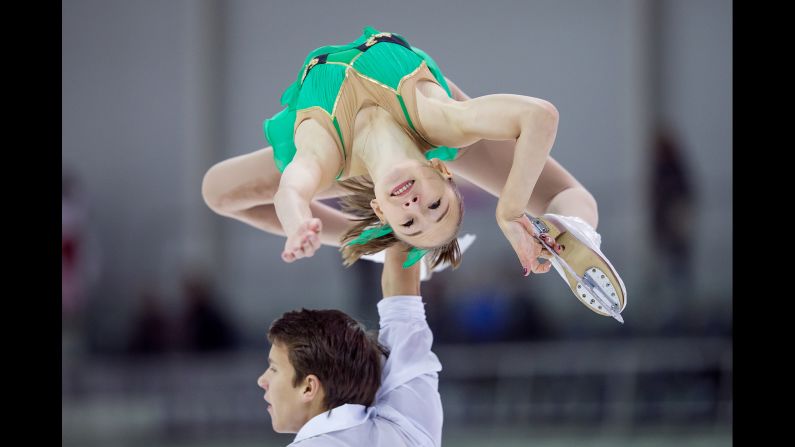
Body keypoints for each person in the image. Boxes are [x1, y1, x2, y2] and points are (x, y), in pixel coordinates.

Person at [203, 26, 626, 318]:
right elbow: (540, 116)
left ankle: (371, 241)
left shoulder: (325, 156)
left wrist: (301, 225)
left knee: (216, 193)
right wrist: (510, 211)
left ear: (381, 209)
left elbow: (292, 192)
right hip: (417, 124)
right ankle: (577, 230)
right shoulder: (444, 125)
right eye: (436, 207)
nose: (415, 206)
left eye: (408, 219)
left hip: (348, 142)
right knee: (570, 196)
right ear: (443, 173)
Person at [256, 245, 442, 446]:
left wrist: (403, 225)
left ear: (309, 387)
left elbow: (404, 308)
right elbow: (403, 309)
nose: (262, 380)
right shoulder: (409, 427)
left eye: (274, 369)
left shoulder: (411, 426)